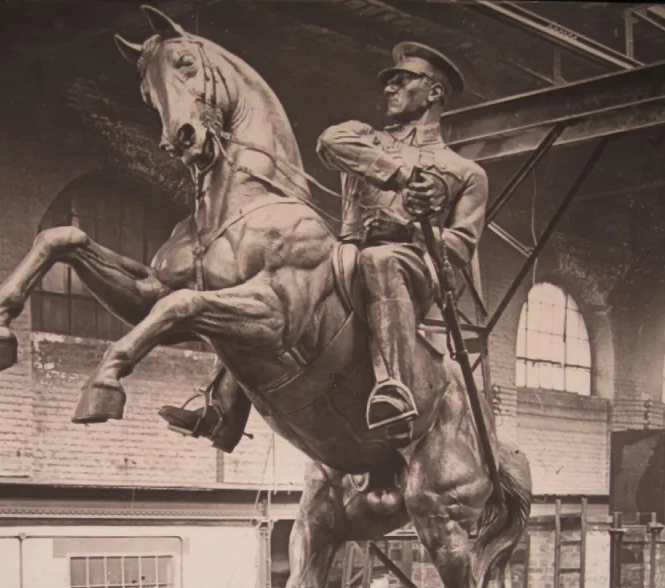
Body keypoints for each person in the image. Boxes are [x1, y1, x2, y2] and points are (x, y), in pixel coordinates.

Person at [159, 41, 486, 447]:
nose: (389, 89)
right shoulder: (364, 138)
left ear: (434, 92)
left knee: (379, 261)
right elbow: (330, 142)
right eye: (389, 81)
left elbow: (459, 247)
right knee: (283, 276)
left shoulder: (465, 172)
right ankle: (223, 407)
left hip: (411, 266)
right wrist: (402, 177)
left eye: (402, 80)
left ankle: (394, 388)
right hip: (347, 251)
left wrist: (418, 228)